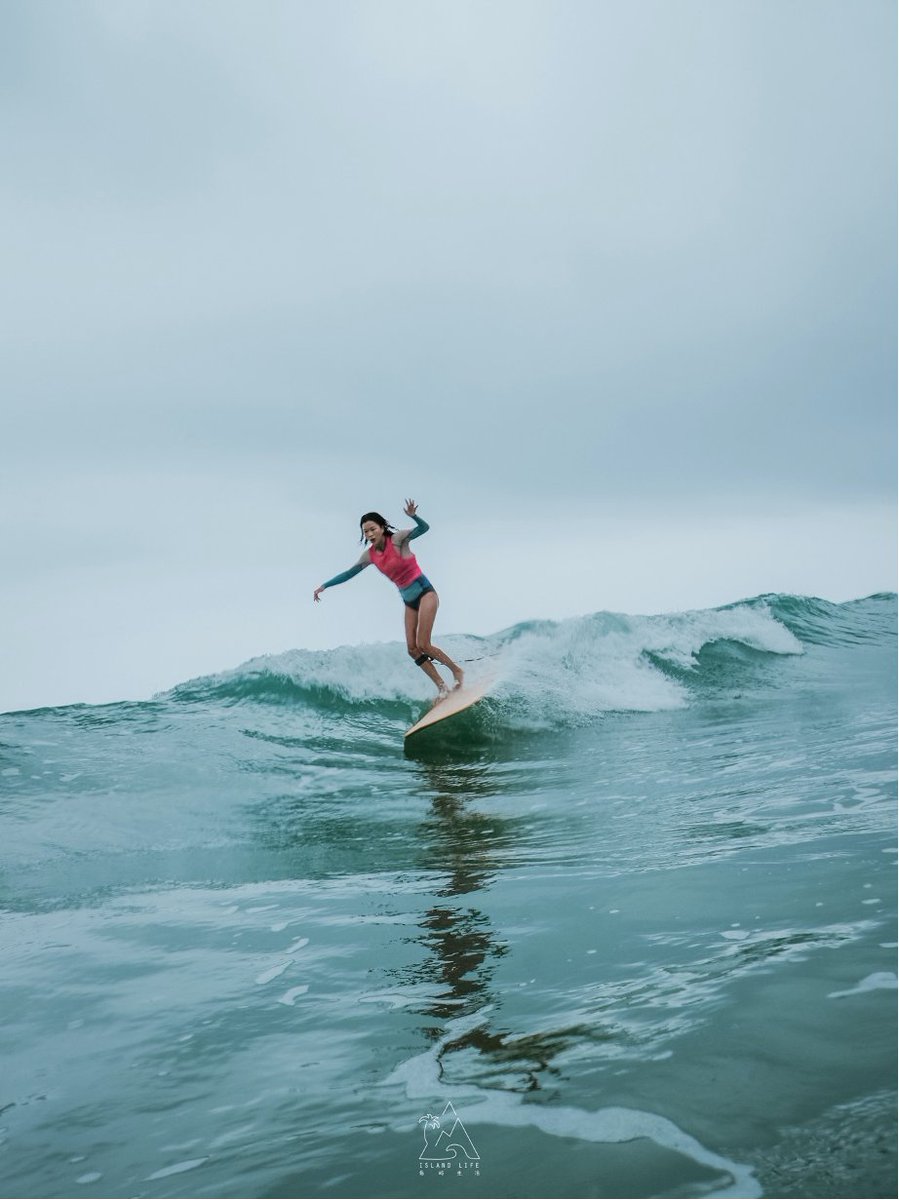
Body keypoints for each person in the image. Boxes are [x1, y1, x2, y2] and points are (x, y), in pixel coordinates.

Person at [313, 499, 464, 698]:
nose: (369, 534)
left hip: (426, 593)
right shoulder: (370, 556)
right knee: (412, 649)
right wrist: (324, 586)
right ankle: (442, 688)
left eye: (372, 529)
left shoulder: (398, 540)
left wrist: (413, 517)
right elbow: (349, 573)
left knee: (424, 644)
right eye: (365, 531)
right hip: (409, 602)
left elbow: (424, 529)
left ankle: (457, 671)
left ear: (382, 527)